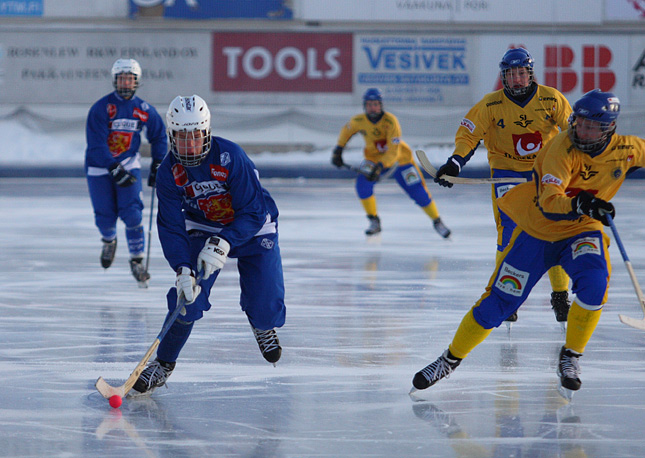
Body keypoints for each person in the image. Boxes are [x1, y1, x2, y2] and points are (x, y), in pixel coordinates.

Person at [412, 90, 645, 397]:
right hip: (538, 229)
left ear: (609, 129)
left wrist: (587, 209)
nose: (582, 131)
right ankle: (449, 360)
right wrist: (584, 204)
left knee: (595, 284)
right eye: (579, 123)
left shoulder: (628, 149)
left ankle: (571, 356)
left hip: (582, 232)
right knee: (498, 304)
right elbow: (550, 202)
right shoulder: (558, 149)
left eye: (591, 126)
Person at [131, 95, 286, 396]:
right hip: (203, 226)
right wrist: (182, 267)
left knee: (265, 302)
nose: (189, 145)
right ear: (171, 136)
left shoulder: (230, 157)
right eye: (181, 137)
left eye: (196, 136)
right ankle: (163, 365)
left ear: (207, 132)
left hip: (252, 226)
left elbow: (253, 211)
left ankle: (263, 325)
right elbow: (171, 226)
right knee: (186, 300)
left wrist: (225, 241)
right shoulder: (168, 172)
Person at [433, 48, 573, 325]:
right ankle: (506, 297)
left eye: (522, 73)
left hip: (546, 173)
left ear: (530, 74)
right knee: (509, 234)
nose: (517, 79)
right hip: (506, 173)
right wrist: (455, 163)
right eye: (511, 74)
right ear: (504, 77)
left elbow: (572, 132)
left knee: (554, 231)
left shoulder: (551, 98)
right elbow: (469, 135)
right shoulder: (490, 105)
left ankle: (560, 295)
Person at [85, 58, 167, 286]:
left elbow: (159, 135)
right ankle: (109, 241)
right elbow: (96, 144)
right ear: (114, 80)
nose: (125, 83)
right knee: (104, 215)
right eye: (121, 78)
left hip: (129, 163)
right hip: (100, 166)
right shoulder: (102, 108)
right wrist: (112, 167)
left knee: (133, 213)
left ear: (137, 81)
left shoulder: (143, 109)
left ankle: (137, 260)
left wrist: (158, 162)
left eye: (130, 79)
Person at [332, 88, 451, 238]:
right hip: (373, 159)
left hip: (400, 160)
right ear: (364, 106)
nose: (372, 108)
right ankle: (374, 221)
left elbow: (393, 151)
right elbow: (346, 131)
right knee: (362, 185)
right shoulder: (358, 121)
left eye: (375, 104)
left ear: (381, 105)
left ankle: (437, 221)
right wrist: (338, 149)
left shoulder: (391, 121)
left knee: (417, 191)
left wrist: (380, 166)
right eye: (369, 104)